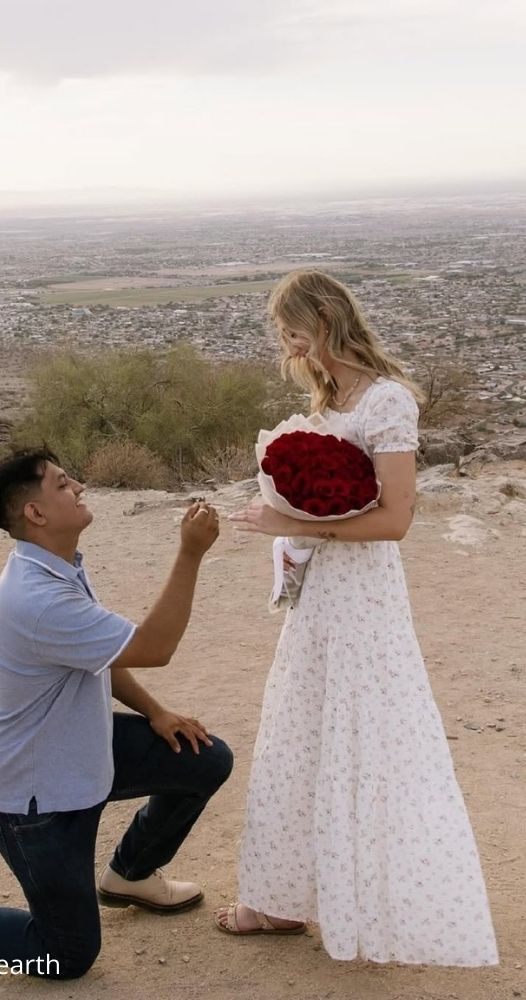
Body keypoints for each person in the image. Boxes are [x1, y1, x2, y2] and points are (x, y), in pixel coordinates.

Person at [216, 269, 498, 967]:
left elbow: (396, 519)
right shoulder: (327, 397)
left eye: (289, 331)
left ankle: (373, 900)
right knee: (302, 732)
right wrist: (293, 535)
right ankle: (282, 900)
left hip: (365, 596)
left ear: (316, 325)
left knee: (366, 737)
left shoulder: (387, 399)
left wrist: (295, 522)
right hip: (319, 595)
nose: (287, 346)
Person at [0, 448, 233, 980]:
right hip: (37, 795)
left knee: (203, 758)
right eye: (64, 484)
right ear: (35, 514)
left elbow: (101, 657)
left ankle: (129, 875)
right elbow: (154, 646)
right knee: (65, 954)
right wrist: (191, 552)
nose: (80, 487)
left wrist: (157, 712)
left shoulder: (55, 566)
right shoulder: (37, 596)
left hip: (80, 750)